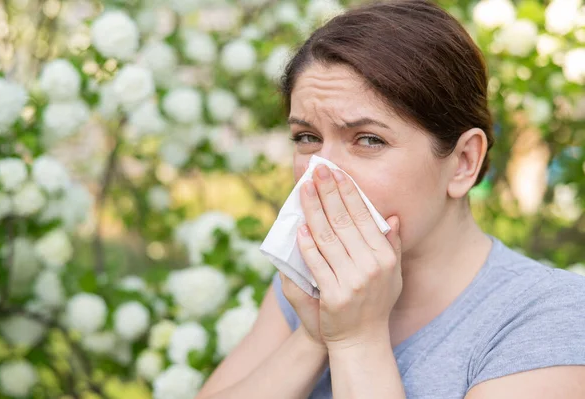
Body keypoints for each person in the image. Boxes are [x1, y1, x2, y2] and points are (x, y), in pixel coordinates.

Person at [195, 1, 585, 398]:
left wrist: (355, 339)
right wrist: (314, 337)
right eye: (307, 138)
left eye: (368, 140)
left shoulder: (549, 317)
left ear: (464, 162)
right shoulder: (313, 283)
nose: (321, 174)